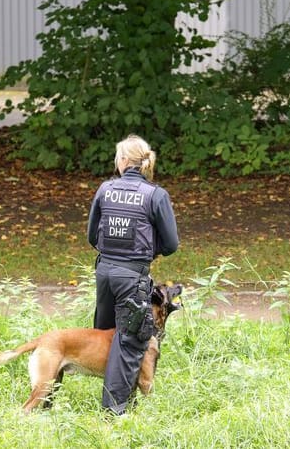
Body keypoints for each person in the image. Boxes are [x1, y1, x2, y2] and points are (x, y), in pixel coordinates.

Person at [87, 134, 179, 415]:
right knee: (128, 343)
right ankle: (113, 414)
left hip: (104, 274)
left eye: (118, 157)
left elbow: (92, 236)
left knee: (107, 335)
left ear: (125, 161)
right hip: (133, 277)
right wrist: (149, 251)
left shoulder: (105, 189)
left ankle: (118, 399)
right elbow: (172, 244)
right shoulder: (156, 195)